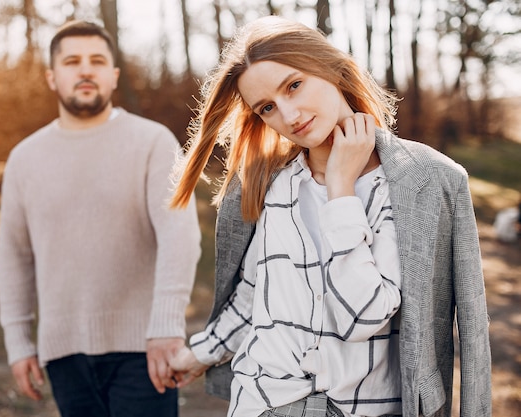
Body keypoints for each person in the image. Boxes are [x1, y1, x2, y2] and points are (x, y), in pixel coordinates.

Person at [169, 16, 491, 417]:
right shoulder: (268, 184)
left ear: (332, 67)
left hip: (368, 407)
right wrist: (196, 354)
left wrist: (341, 188)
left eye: (294, 85)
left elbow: (363, 316)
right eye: (267, 107)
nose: (288, 114)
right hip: (262, 403)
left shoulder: (426, 180)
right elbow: (254, 298)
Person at [0, 20, 201, 417]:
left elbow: (180, 236)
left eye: (97, 61)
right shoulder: (25, 158)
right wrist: (18, 342)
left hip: (143, 350)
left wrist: (166, 327)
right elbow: (14, 257)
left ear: (114, 75)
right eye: (72, 61)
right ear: (53, 77)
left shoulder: (153, 141)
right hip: (63, 353)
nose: (86, 70)